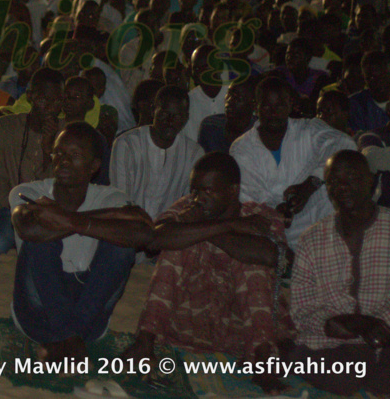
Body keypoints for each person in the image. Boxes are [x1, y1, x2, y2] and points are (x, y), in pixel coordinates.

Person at [122, 153, 290, 393]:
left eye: (208, 191)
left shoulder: (260, 216)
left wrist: (198, 228)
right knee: (176, 248)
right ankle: (145, 341)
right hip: (189, 325)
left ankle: (263, 361)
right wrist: (227, 225)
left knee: (251, 263)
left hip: (243, 331)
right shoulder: (188, 208)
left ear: (233, 190)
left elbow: (269, 255)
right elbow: (154, 239)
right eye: (195, 190)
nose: (198, 198)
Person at [10, 122, 150, 363]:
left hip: (89, 311)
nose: (63, 161)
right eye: (58, 153)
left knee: (122, 245)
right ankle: (72, 339)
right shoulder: (28, 192)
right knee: (39, 240)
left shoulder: (111, 197)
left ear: (94, 166)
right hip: (37, 313)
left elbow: (145, 234)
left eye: (74, 155)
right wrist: (108, 217)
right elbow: (29, 230)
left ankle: (67, 338)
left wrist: (64, 219)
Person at [283, 150, 390, 395]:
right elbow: (302, 309)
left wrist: (376, 323)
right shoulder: (312, 239)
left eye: (351, 177)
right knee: (343, 378)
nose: (342, 186)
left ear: (370, 180)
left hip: (385, 334)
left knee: (380, 379)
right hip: (333, 340)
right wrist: (331, 324)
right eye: (333, 180)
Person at [231, 75, 354, 247]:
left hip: (318, 221)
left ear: (290, 105)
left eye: (280, 105)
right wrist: (279, 210)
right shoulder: (241, 148)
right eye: (266, 106)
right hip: (272, 230)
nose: (273, 113)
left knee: (335, 181)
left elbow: (345, 144)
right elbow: (250, 198)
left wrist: (310, 184)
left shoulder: (309, 129)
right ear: (255, 107)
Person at [0, 69, 63, 261]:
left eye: (57, 101)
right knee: (9, 223)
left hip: (48, 215)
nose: (50, 107)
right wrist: (21, 211)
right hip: (7, 210)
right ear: (30, 96)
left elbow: (60, 192)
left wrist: (48, 151)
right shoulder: (4, 127)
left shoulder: (65, 134)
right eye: (43, 100)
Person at [110, 85, 204, 219]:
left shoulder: (194, 153)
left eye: (177, 116)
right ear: (153, 110)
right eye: (164, 114)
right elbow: (120, 200)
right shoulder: (127, 144)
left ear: (186, 118)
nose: (170, 122)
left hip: (170, 226)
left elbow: (188, 202)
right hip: (129, 223)